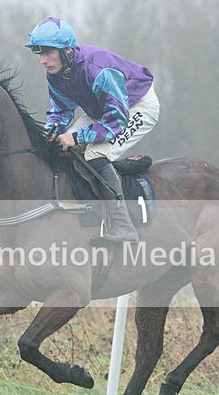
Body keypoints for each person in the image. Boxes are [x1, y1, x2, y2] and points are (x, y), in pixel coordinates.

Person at [25, 17, 160, 243]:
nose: (42, 60)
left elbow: (117, 119)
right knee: (62, 147)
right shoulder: (55, 74)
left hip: (136, 107)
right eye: (39, 53)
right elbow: (60, 110)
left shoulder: (97, 69)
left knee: (95, 153)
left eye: (48, 53)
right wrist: (52, 129)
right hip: (101, 110)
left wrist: (77, 136)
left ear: (67, 51)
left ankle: (124, 225)